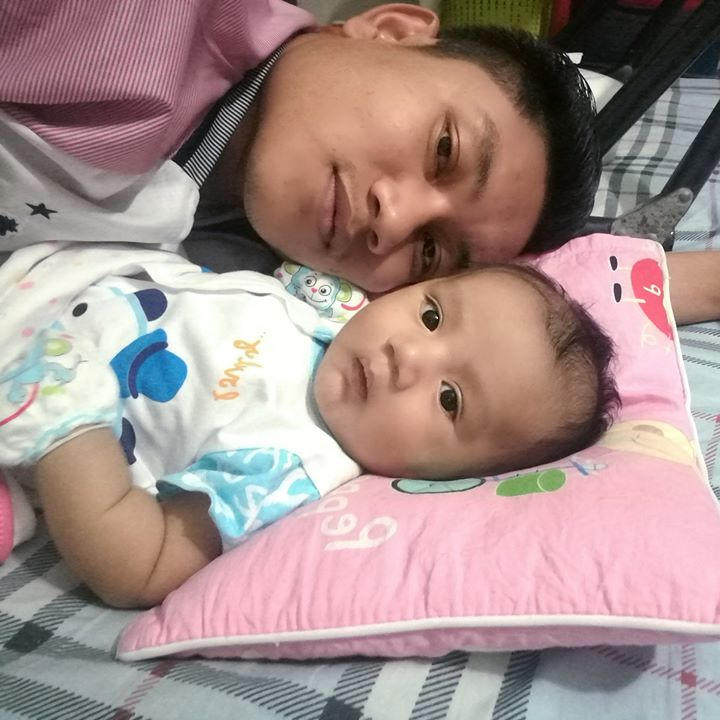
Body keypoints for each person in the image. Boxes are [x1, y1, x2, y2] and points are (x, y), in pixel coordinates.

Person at [0, 243, 619, 608]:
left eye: (450, 399)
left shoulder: (289, 468)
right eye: (431, 315)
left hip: (31, 407)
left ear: (447, 478)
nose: (408, 355)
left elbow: (143, 566)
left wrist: (69, 426)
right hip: (42, 277)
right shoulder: (333, 309)